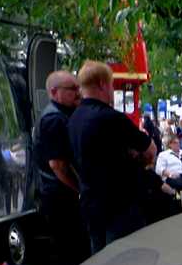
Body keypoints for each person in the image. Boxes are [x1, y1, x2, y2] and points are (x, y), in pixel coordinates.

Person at [67, 60, 157, 253]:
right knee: (127, 262)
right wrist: (137, 159)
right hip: (121, 206)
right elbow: (150, 150)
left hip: (91, 205)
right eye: (111, 84)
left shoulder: (73, 120)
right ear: (102, 84)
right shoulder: (111, 118)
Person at [34, 70, 90, 265]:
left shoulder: (62, 115)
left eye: (78, 88)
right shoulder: (54, 120)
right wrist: (78, 189)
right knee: (71, 254)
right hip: (60, 197)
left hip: (61, 195)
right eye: (72, 89)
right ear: (54, 92)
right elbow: (57, 165)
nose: (78, 93)